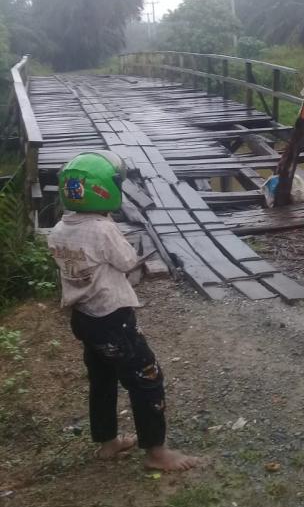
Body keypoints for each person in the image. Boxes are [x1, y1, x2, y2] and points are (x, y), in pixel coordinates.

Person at [48, 150, 201, 471]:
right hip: (112, 319)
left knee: (102, 378)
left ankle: (108, 443)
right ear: (104, 189)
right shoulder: (103, 229)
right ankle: (157, 453)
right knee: (147, 377)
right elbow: (128, 261)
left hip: (83, 318)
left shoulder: (58, 229)